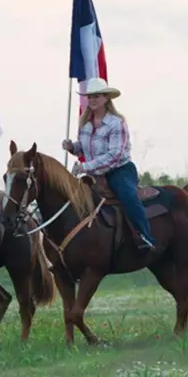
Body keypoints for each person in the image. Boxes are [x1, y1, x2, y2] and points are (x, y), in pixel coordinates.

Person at [61, 77, 156, 251]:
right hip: (94, 173)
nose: (92, 100)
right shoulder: (85, 124)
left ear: (106, 98)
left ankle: (144, 235)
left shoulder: (116, 124)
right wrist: (72, 147)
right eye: (90, 97)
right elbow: (83, 148)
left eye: (97, 96)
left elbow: (114, 155)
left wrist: (85, 167)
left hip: (119, 171)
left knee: (128, 195)